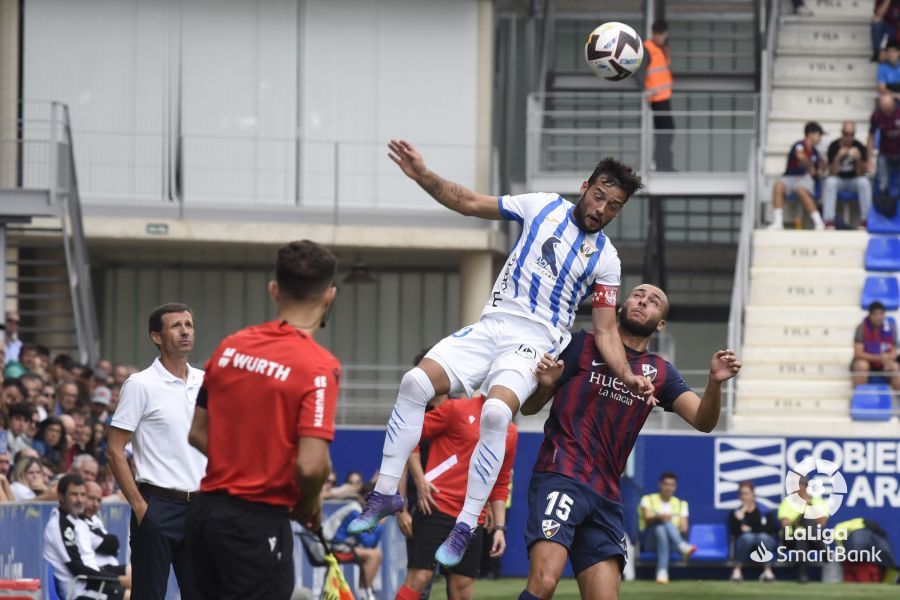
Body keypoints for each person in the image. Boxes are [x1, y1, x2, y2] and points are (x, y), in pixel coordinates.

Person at [349, 140, 651, 569]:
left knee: (495, 415)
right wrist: (423, 176)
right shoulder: (541, 206)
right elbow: (470, 202)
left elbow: (604, 331)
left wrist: (627, 376)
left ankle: (467, 523)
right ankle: (385, 494)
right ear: (585, 187)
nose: (602, 209)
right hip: (491, 325)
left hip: (535, 342)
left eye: (614, 206)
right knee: (414, 382)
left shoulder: (607, 259)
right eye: (599, 196)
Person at [515, 284, 742, 599]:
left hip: (606, 494)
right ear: (620, 306)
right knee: (544, 582)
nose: (643, 301)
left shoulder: (660, 372)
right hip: (561, 474)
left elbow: (703, 422)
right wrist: (546, 385)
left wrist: (714, 383)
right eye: (638, 295)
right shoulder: (580, 344)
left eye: (654, 301)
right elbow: (528, 408)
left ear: (660, 323)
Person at [185, 240, 341, 600]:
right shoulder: (320, 366)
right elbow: (312, 466)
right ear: (330, 296)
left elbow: (197, 432)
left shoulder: (230, 347)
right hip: (256, 523)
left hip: (204, 516)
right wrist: (310, 499)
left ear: (274, 290)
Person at [106, 303, 206, 600]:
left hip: (201, 508)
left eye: (189, 324)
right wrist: (140, 507)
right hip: (156, 505)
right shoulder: (140, 385)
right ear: (156, 337)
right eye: (176, 326)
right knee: (148, 595)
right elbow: (114, 450)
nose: (185, 331)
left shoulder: (205, 381)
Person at [395, 394, 516, 600]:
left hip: (473, 520)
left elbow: (501, 481)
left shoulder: (511, 431)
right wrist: (420, 479)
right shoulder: (457, 408)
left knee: (462, 590)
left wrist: (499, 528)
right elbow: (408, 433)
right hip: (436, 507)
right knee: (420, 578)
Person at [43, 474, 127, 600]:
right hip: (78, 591)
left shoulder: (79, 522)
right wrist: (116, 579)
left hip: (92, 583)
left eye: (82, 495)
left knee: (140, 586)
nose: (79, 500)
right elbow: (77, 568)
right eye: (74, 494)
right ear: (61, 496)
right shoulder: (59, 525)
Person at [768, 122, 826, 230]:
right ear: (810, 134)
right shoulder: (799, 145)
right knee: (778, 186)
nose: (820, 138)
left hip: (805, 179)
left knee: (801, 190)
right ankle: (778, 222)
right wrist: (810, 165)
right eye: (819, 134)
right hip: (790, 177)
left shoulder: (815, 152)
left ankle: (818, 222)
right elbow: (800, 156)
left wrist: (820, 169)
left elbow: (816, 171)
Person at [639, 472, 695, 584]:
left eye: (672, 485)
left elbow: (684, 528)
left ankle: (662, 572)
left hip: (672, 544)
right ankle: (683, 546)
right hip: (650, 542)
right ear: (660, 485)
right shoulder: (647, 499)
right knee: (660, 527)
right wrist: (660, 517)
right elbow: (648, 518)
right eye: (666, 484)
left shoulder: (681, 504)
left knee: (662, 529)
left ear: (675, 487)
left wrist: (669, 529)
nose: (669, 487)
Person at [777, 476, 828, 583]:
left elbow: (822, 522)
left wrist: (809, 508)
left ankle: (802, 575)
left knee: (804, 532)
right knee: (802, 527)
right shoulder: (788, 502)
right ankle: (823, 549)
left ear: (805, 486)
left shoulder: (817, 501)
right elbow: (784, 524)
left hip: (811, 537)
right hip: (791, 537)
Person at [824, 121, 871, 229]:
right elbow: (831, 173)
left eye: (851, 134)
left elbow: (861, 173)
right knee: (830, 182)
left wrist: (858, 159)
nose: (848, 137)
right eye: (846, 134)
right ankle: (829, 220)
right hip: (839, 180)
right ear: (842, 133)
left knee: (864, 182)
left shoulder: (859, 146)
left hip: (854, 180)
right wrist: (838, 157)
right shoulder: (834, 146)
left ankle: (866, 220)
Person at [728, 481, 777, 582]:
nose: (744, 496)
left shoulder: (764, 511)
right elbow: (734, 531)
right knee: (747, 538)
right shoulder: (736, 513)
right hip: (744, 543)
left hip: (765, 540)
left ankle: (767, 572)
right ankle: (737, 572)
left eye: (746, 493)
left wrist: (749, 529)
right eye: (741, 493)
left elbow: (770, 529)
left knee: (761, 537)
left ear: (753, 494)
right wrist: (739, 519)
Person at [643, 21, 675, 172]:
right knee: (665, 132)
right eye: (658, 34)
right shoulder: (648, 49)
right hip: (657, 98)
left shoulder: (662, 48)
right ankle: (663, 165)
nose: (661, 37)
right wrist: (645, 89)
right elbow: (640, 72)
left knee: (667, 131)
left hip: (665, 96)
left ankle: (664, 164)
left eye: (662, 34)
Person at [851, 301, 900, 388]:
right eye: (875, 314)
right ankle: (859, 397)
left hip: (883, 362)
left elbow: (893, 350)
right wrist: (878, 358)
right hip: (867, 361)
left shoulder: (891, 327)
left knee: (895, 366)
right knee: (861, 366)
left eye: (881, 314)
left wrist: (888, 360)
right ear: (869, 315)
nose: (879, 317)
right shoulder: (861, 328)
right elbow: (858, 353)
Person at [868, 93, 900, 214]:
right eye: (884, 108)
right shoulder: (876, 115)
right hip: (885, 152)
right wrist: (870, 158)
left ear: (894, 104)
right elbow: (870, 137)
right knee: (882, 179)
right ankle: (883, 200)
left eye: (888, 108)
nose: (886, 111)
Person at [82, 480, 123, 569]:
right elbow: (109, 545)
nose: (95, 504)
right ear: (81, 496)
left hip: (110, 569)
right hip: (96, 572)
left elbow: (115, 546)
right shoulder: (77, 521)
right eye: (91, 498)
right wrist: (110, 542)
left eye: (99, 500)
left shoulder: (95, 519)